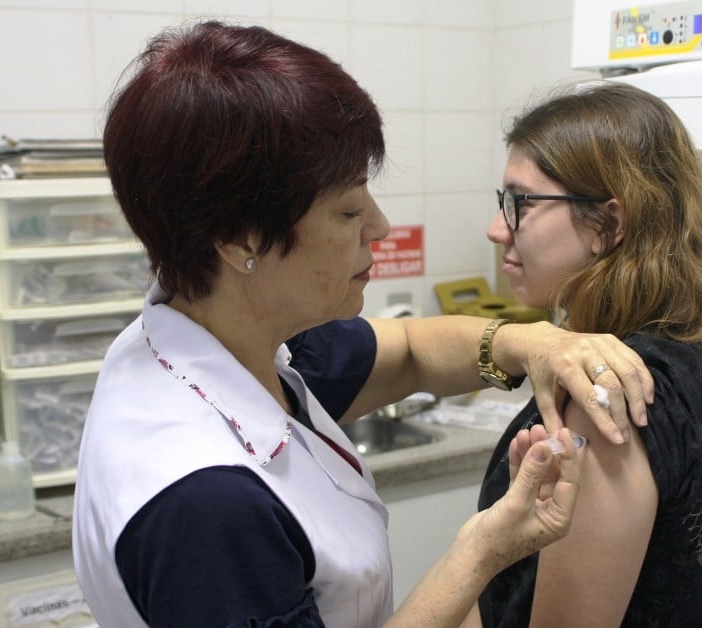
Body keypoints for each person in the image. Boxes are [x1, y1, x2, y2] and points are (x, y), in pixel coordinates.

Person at [71, 22, 657, 628]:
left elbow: (407, 351)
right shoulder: (204, 503)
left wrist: (527, 341)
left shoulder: (222, 334)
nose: (378, 226)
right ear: (239, 239)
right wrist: (481, 552)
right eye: (349, 208)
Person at [465, 81, 702, 627]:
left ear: (608, 225)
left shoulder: (606, 399)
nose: (496, 228)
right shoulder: (674, 356)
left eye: (519, 203)